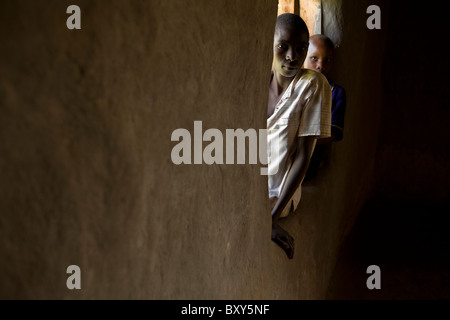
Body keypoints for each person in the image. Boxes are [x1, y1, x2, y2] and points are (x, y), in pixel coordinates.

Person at [267, 14, 332, 259]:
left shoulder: (313, 85)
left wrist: (271, 219)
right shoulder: (255, 82)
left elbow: (304, 156)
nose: (292, 56)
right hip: (252, 189)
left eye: (301, 48)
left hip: (277, 197)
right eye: (283, 47)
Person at [303, 34, 347, 181]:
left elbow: (333, 133)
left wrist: (302, 141)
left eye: (327, 60)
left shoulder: (336, 92)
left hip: (311, 159)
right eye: (314, 58)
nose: (321, 65)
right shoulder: (292, 86)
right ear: (303, 56)